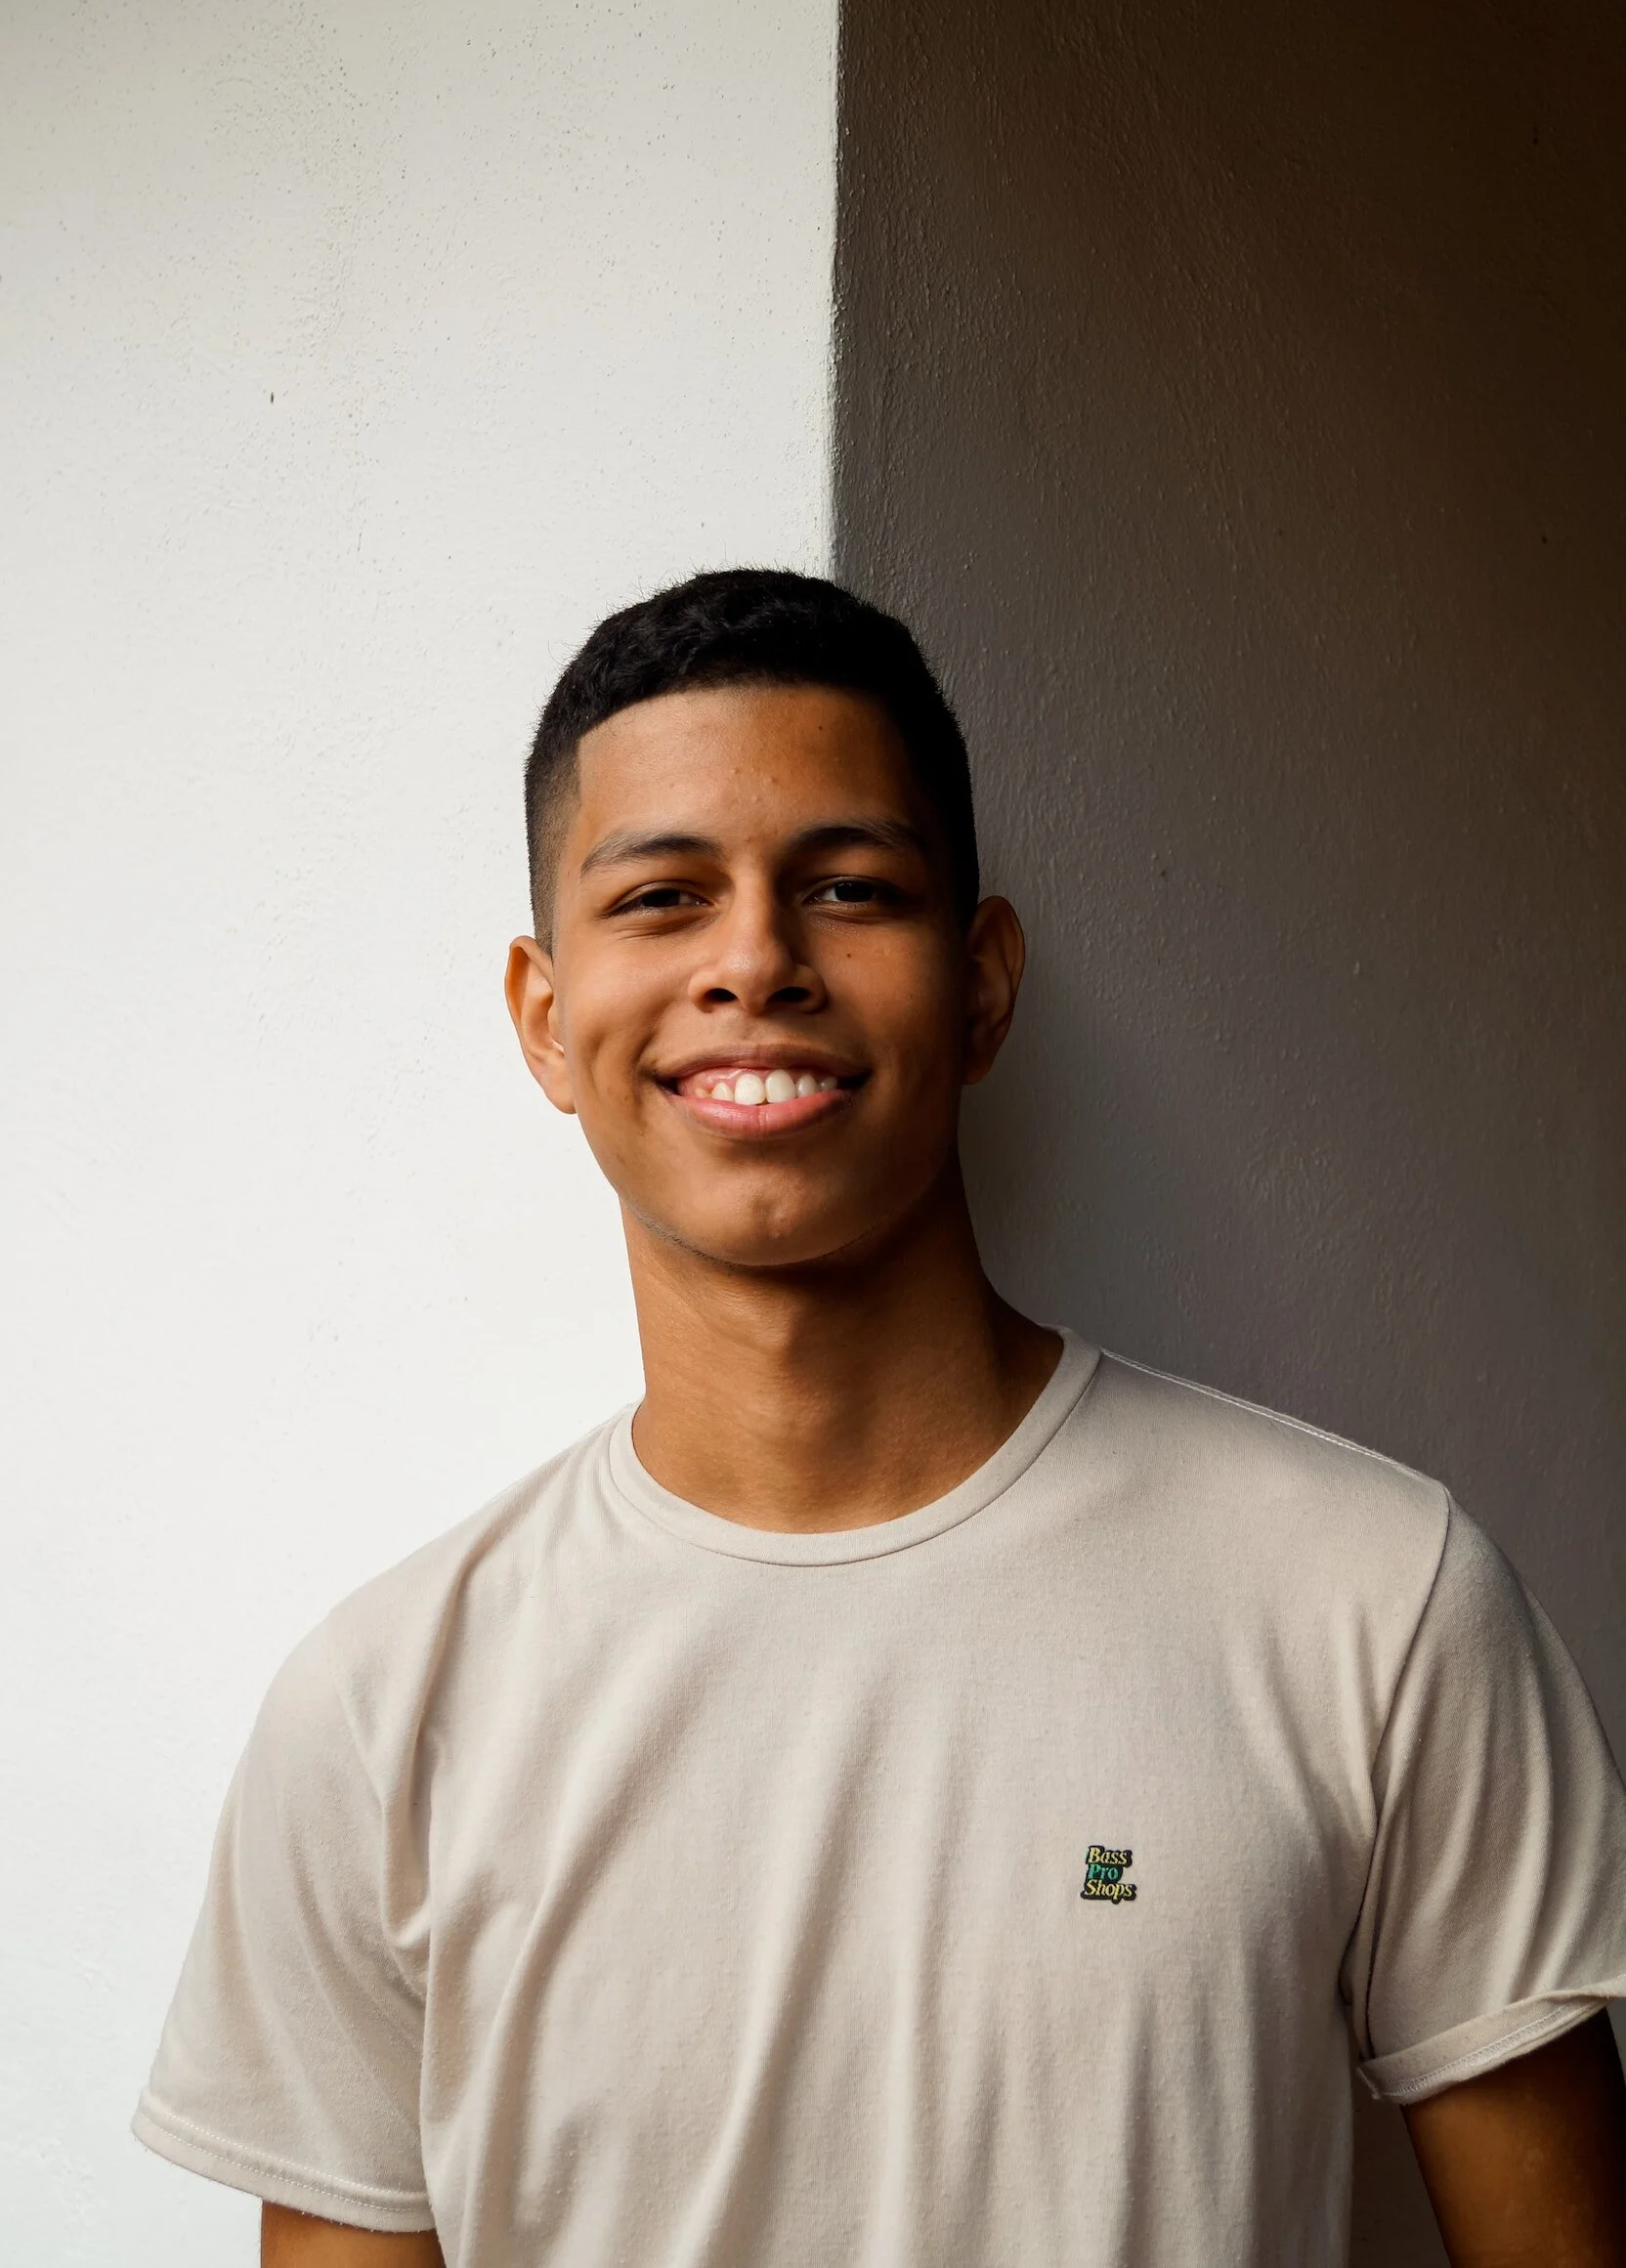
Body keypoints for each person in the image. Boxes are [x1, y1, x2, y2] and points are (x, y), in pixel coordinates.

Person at [135, 571, 1626, 2266]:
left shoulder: (1375, 1601)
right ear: (546, 1021)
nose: (754, 962)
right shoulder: (382, 1712)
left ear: (980, 984)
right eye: (663, 899)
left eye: (847, 888)